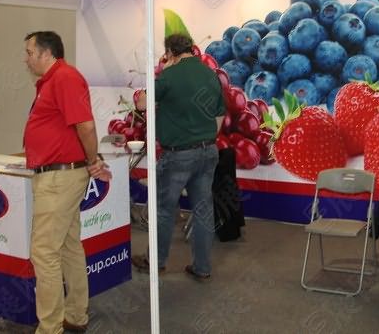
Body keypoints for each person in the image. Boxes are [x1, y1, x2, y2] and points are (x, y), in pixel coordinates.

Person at [22, 31, 110, 334]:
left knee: (44, 252)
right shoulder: (52, 81)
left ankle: (50, 328)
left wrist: (93, 160)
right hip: (58, 175)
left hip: (59, 178)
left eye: (29, 52)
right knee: (69, 246)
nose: (26, 59)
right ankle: (75, 315)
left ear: (46, 53)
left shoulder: (64, 78)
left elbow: (86, 126)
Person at [131, 33, 226, 281]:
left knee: (164, 210)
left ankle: (156, 262)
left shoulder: (169, 76)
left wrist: (163, 71)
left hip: (178, 155)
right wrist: (205, 139)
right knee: (203, 210)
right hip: (208, 151)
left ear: (170, 53)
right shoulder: (210, 74)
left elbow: (141, 103)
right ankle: (202, 267)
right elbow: (219, 116)